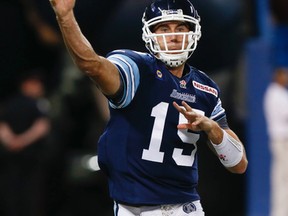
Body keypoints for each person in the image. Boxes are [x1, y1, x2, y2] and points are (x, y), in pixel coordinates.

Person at [49, 0, 248, 215]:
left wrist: (214, 130)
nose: (173, 36)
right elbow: (92, 65)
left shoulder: (205, 88)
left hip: (182, 207)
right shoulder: (136, 68)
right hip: (131, 206)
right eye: (164, 28)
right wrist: (65, 16)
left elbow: (238, 164)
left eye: (180, 28)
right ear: (149, 34)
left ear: (193, 33)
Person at [0, 72, 51, 216]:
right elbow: (42, 127)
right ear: (26, 85)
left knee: (11, 193)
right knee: (32, 195)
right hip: (31, 157)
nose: (40, 87)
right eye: (36, 84)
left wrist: (12, 141)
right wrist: (23, 141)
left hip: (11, 155)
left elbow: (2, 127)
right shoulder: (38, 104)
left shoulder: (9, 102)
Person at [263, 67, 288, 216]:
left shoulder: (281, 93)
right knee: (282, 178)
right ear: (278, 76)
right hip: (281, 140)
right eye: (284, 75)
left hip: (282, 140)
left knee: (283, 178)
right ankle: (279, 213)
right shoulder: (274, 93)